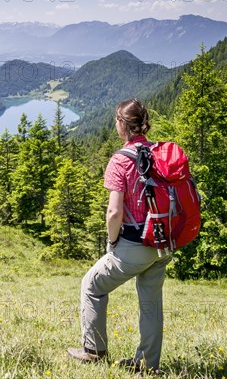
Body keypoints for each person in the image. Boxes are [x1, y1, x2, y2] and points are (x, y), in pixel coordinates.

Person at [67, 98, 172, 373]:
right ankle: (149, 365)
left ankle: (94, 351)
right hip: (163, 242)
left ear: (122, 124)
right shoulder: (158, 153)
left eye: (116, 120)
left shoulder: (121, 159)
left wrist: (112, 244)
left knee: (92, 285)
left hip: (134, 245)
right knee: (151, 303)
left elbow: (114, 212)